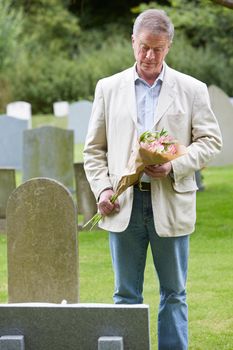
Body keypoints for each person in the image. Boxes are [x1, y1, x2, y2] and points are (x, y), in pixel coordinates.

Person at [83, 9, 222, 350]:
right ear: (133, 42)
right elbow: (93, 150)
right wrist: (102, 188)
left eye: (157, 49)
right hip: (124, 205)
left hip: (171, 202)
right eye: (144, 46)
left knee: (174, 292)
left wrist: (174, 165)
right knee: (125, 293)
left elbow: (211, 141)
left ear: (168, 47)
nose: (149, 55)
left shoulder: (192, 89)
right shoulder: (108, 88)